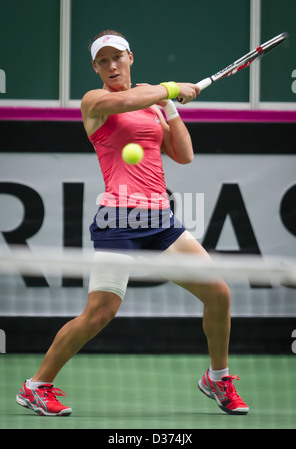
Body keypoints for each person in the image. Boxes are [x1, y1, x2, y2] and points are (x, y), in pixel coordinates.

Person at [16, 30, 249, 416]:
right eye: (102, 61)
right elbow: (126, 99)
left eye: (117, 58)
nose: (111, 66)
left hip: (160, 219)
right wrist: (170, 88)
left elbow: (184, 155)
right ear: (95, 67)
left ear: (130, 58)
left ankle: (217, 378)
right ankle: (36, 386)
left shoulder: (153, 103)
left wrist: (170, 107)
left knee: (219, 293)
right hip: (117, 221)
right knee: (100, 313)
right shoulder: (95, 102)